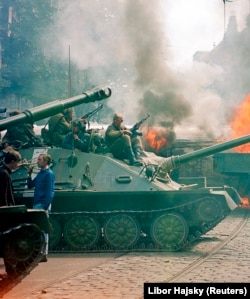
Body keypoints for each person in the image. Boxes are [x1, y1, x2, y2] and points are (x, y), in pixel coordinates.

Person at [27, 153, 55, 262]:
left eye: (39, 160)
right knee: (40, 230)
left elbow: (50, 192)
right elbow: (30, 185)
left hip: (42, 204)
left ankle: (44, 253)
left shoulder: (49, 174)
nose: (37, 161)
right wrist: (29, 174)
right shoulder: (41, 173)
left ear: (45, 162)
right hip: (37, 203)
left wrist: (45, 207)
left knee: (44, 230)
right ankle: (41, 252)